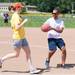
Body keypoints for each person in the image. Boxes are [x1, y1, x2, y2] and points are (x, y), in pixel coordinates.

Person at [0, 3, 40, 74]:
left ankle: (31, 69)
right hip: (17, 38)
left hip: (22, 37)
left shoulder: (17, 15)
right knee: (16, 54)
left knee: (28, 52)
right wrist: (24, 22)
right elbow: (17, 27)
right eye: (20, 7)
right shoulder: (15, 16)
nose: (21, 8)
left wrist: (22, 20)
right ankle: (1, 60)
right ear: (17, 8)